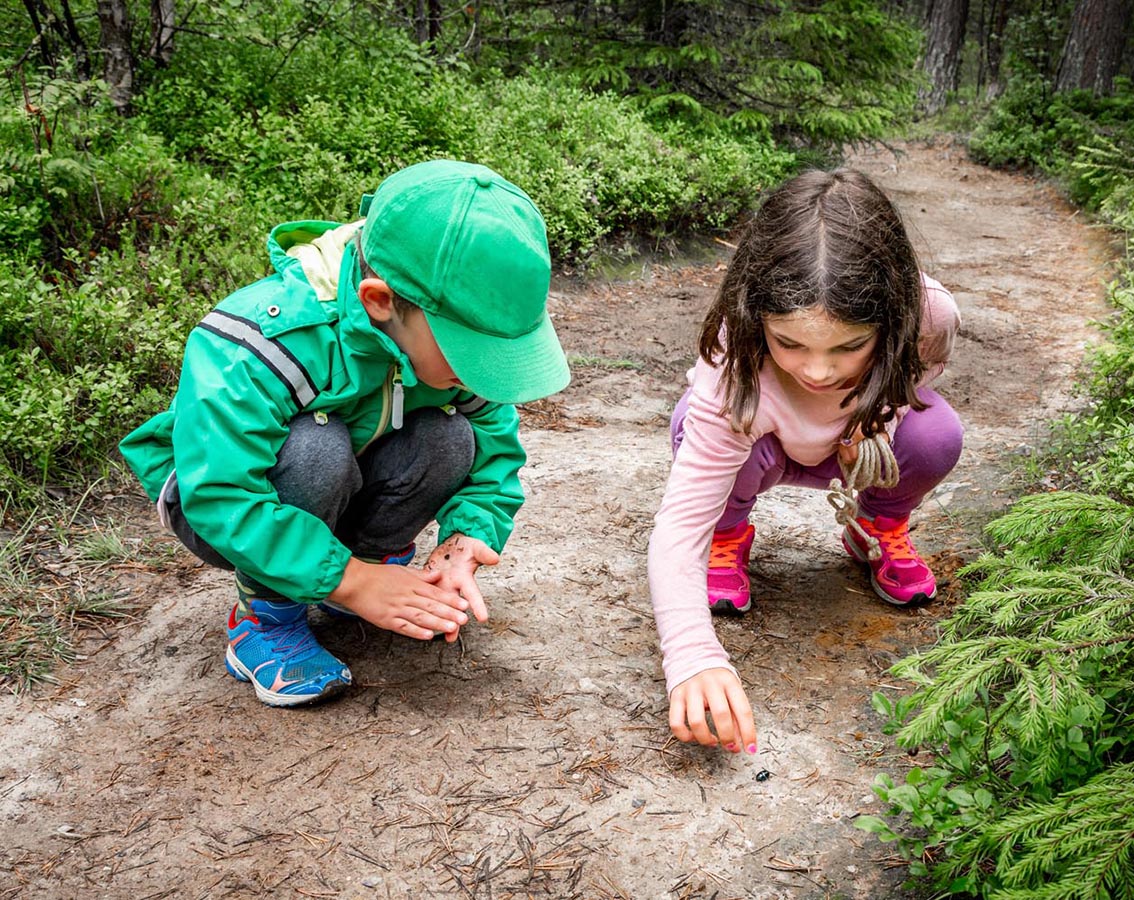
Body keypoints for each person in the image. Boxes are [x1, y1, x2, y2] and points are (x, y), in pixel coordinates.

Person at [120, 160, 570, 707]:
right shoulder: (260, 341)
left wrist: (468, 536)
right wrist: (352, 582)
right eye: (471, 351)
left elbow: (494, 455)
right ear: (380, 301)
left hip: (342, 482)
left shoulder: (443, 348)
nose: (483, 373)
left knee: (449, 438)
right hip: (218, 503)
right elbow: (221, 495)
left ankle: (359, 570)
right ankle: (264, 617)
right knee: (316, 448)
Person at [648, 168, 962, 754]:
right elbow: (678, 521)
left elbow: (914, 380)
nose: (817, 372)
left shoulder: (931, 316)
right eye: (790, 343)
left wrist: (875, 423)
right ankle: (731, 530)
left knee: (936, 434)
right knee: (697, 422)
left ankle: (878, 522)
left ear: (892, 320)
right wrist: (691, 655)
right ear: (755, 313)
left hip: (856, 452)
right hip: (760, 450)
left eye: (849, 346)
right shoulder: (731, 345)